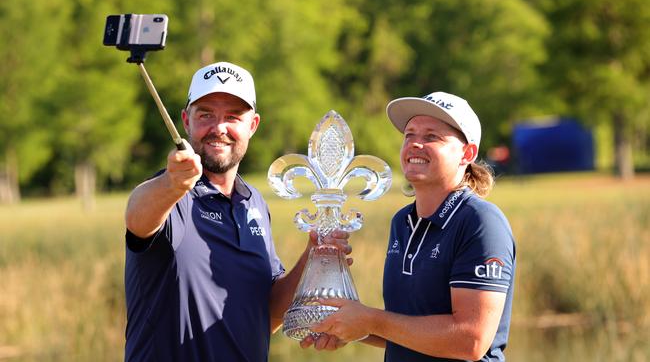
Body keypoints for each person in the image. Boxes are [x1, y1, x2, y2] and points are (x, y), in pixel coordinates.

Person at [123, 61, 349, 361]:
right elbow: (137, 219)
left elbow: (266, 312)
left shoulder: (253, 203)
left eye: (233, 116)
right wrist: (171, 183)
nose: (219, 128)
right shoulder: (169, 193)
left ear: (252, 125)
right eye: (206, 115)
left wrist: (314, 256)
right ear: (186, 121)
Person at [305, 91, 516, 361]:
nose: (415, 144)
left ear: (467, 153)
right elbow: (406, 327)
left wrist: (370, 320)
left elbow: (470, 340)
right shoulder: (402, 221)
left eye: (431, 137)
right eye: (409, 135)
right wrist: (348, 326)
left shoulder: (480, 222)